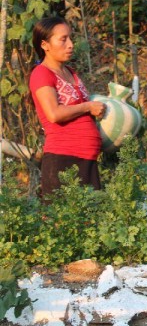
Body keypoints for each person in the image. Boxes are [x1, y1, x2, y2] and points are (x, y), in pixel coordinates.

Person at [29, 16, 106, 200]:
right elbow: (54, 114)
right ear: (45, 45)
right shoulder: (41, 74)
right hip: (63, 161)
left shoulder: (71, 73)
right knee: (66, 225)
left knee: (92, 225)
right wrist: (87, 106)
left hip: (87, 159)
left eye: (70, 38)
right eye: (63, 39)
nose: (70, 44)